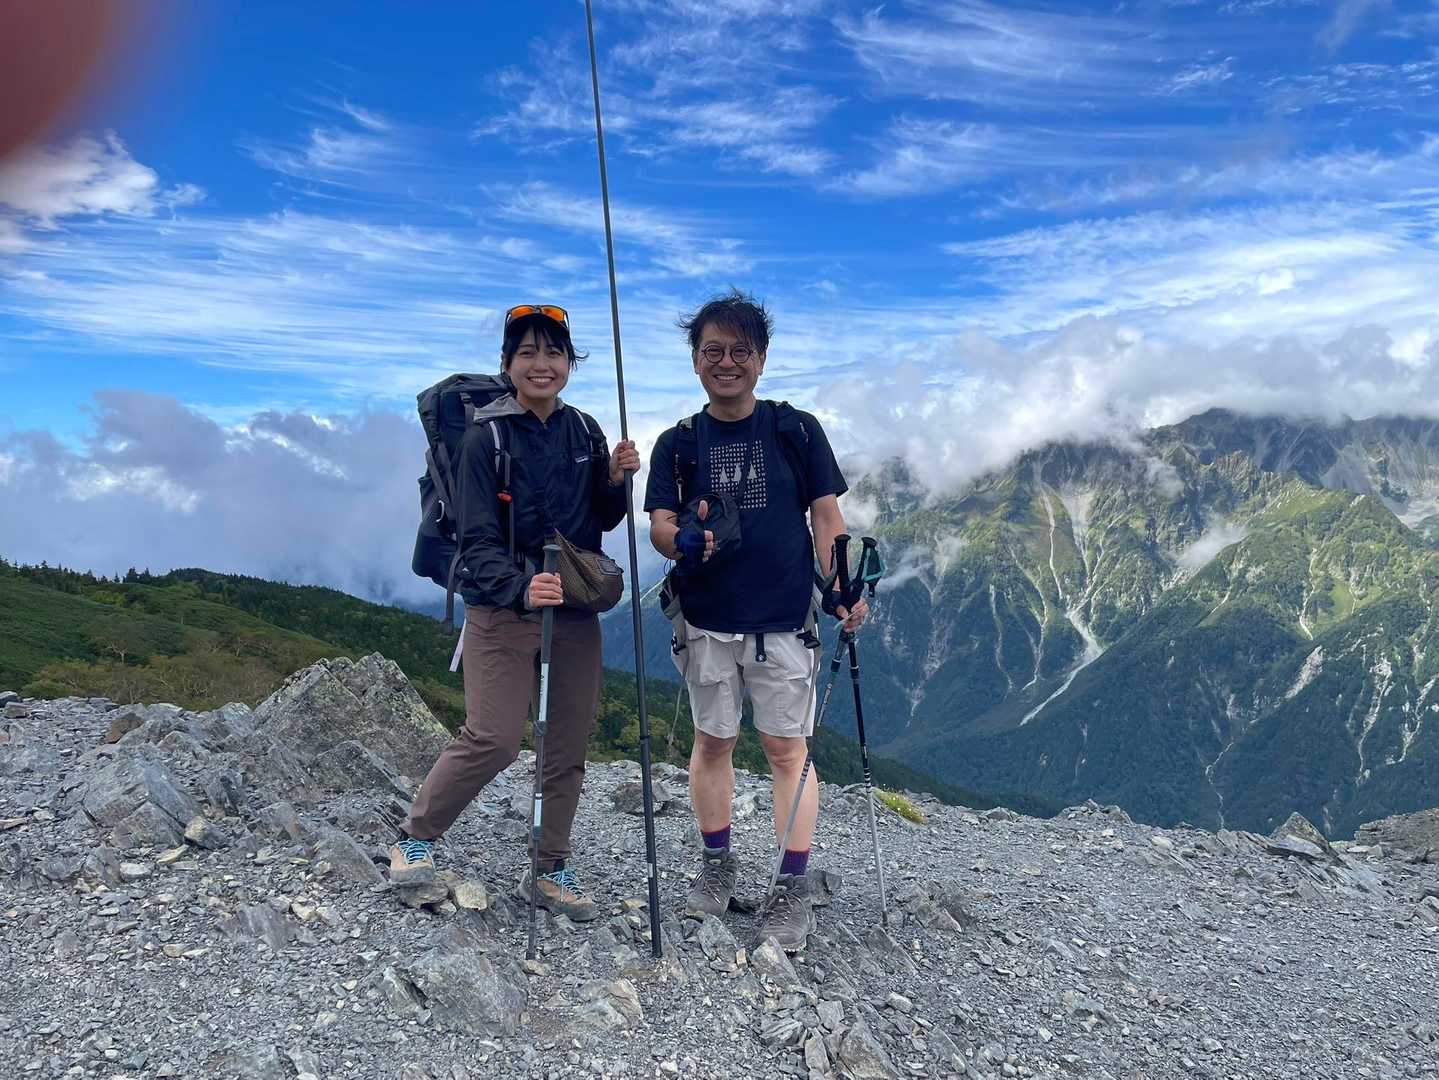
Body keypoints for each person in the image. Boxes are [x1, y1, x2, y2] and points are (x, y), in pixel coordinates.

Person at [389, 304, 641, 922]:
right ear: (507, 364)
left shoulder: (584, 431)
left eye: (554, 352)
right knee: (495, 737)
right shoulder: (487, 438)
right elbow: (475, 542)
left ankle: (550, 867)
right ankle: (416, 835)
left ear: (570, 364)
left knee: (567, 743)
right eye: (527, 352)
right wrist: (524, 587)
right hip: (501, 610)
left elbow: (599, 521)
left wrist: (614, 480)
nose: (541, 364)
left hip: (573, 610)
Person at [644, 290, 867, 952]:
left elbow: (826, 515)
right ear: (694, 360)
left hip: (782, 619)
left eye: (740, 350)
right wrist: (681, 542)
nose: (726, 362)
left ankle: (791, 885)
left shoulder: (795, 431)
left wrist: (838, 583)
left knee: (786, 751)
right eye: (712, 350)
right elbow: (659, 524)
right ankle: (717, 865)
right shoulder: (678, 444)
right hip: (706, 619)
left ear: (762, 360)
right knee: (712, 741)